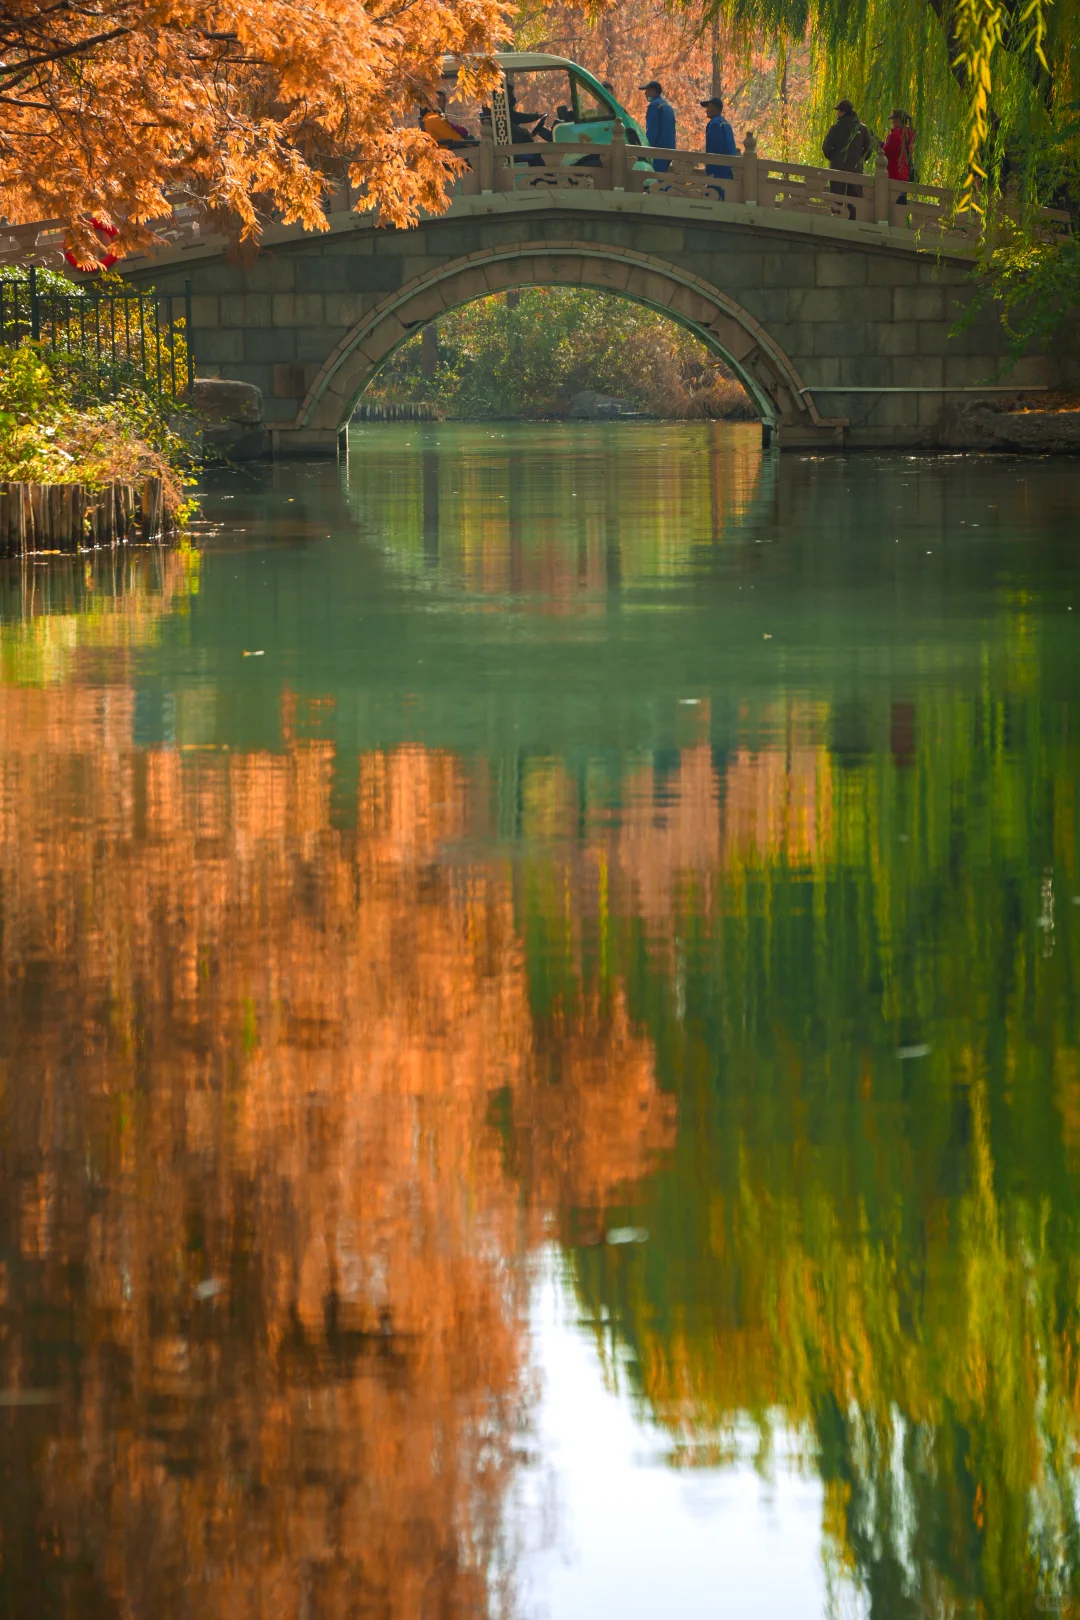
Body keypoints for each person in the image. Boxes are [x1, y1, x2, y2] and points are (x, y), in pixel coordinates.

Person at [822, 97, 875, 219]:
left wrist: (834, 157)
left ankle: (836, 219)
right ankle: (854, 221)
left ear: (843, 112)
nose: (837, 114)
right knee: (854, 198)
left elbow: (826, 149)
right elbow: (869, 150)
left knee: (836, 196)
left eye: (838, 111)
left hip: (837, 168)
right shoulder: (862, 128)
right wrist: (859, 159)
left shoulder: (835, 128)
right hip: (855, 169)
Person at [701, 95, 736, 198]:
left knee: (711, 198)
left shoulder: (715, 124)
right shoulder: (725, 123)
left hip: (719, 170)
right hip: (729, 169)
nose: (706, 110)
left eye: (708, 108)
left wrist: (709, 170)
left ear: (714, 108)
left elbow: (714, 148)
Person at [640, 79, 676, 172]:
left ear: (653, 91)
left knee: (655, 179)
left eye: (647, 91)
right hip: (670, 148)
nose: (645, 94)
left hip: (658, 149)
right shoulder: (667, 106)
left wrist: (647, 149)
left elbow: (652, 130)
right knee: (662, 176)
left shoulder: (654, 106)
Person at [881, 108, 916, 198]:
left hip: (894, 175)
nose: (892, 122)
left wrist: (878, 145)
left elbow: (885, 153)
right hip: (904, 175)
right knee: (900, 207)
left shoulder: (896, 135)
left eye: (894, 120)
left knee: (891, 205)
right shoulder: (910, 135)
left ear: (899, 120)